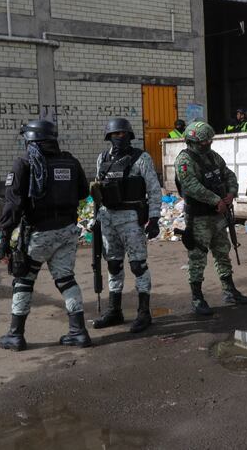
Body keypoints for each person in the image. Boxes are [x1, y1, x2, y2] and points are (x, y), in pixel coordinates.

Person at [0, 120, 91, 351]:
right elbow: (83, 192)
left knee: (23, 280)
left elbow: (13, 205)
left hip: (39, 233)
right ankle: (78, 332)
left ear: (31, 140)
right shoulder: (70, 161)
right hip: (67, 231)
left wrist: (4, 240)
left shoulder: (25, 163)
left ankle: (15, 335)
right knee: (66, 279)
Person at [175, 121, 247, 315]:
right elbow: (191, 186)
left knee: (222, 253)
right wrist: (215, 200)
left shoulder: (213, 156)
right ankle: (197, 297)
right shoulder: (185, 160)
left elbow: (229, 175)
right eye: (204, 141)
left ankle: (229, 290)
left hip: (218, 216)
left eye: (210, 140)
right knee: (198, 257)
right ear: (193, 141)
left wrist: (230, 193)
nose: (208, 143)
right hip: (199, 217)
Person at [92, 118, 162, 333]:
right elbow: (97, 189)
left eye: (123, 134)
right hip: (108, 219)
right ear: (108, 137)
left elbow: (154, 189)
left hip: (131, 219)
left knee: (138, 265)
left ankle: (144, 313)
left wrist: (155, 218)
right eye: (115, 134)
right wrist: (96, 218)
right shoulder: (102, 158)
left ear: (130, 136)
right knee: (113, 265)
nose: (119, 137)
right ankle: (114, 310)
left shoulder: (141, 158)